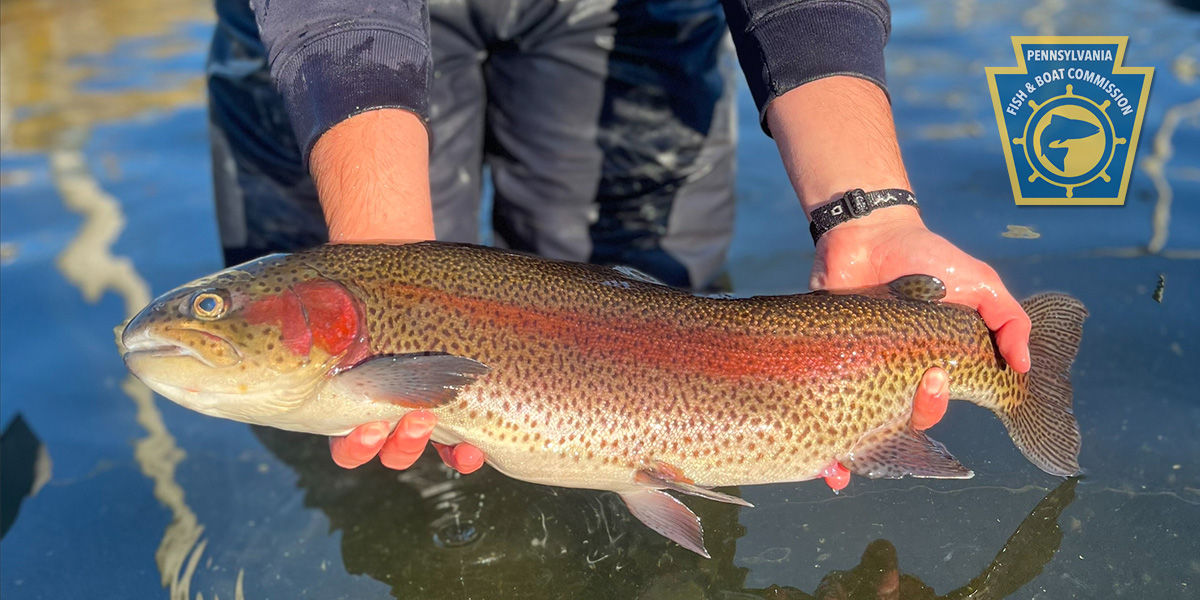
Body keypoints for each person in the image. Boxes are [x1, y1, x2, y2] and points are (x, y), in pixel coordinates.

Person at [206, 0, 1032, 490]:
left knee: (660, 324)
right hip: (327, 31)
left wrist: (872, 213)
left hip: (630, 12)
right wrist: (382, 261)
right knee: (369, 456)